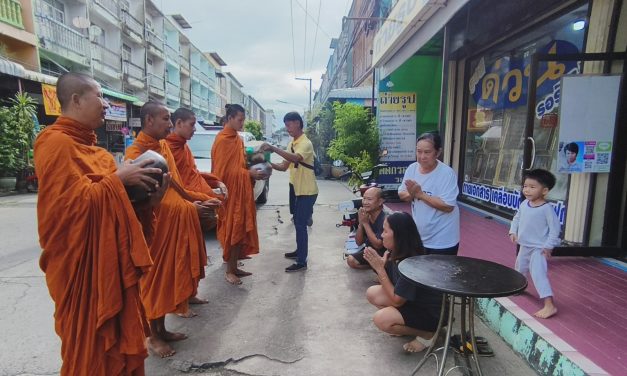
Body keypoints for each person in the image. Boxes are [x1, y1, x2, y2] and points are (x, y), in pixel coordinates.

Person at [34, 72, 168, 375]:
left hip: (111, 271)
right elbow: (64, 212)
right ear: (76, 100)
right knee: (89, 356)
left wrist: (149, 203)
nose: (106, 104)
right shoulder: (54, 143)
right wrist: (117, 181)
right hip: (79, 270)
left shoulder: (102, 156)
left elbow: (121, 219)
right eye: (99, 96)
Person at [126, 101, 220, 358]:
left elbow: (175, 186)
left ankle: (162, 329)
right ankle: (152, 337)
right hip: (153, 229)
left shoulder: (164, 146)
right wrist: (191, 209)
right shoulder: (135, 155)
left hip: (172, 223)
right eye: (166, 118)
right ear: (149, 121)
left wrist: (195, 200)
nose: (170, 124)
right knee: (153, 284)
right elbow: (143, 200)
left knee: (166, 282)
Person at [364, 212, 445, 353]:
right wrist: (383, 267)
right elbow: (393, 286)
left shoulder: (411, 262)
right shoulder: (394, 252)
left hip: (431, 314)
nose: (382, 235)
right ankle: (408, 328)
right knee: (372, 293)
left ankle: (429, 334)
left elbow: (397, 301)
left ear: (398, 235)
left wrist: (381, 270)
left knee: (381, 319)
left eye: (385, 231)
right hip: (412, 303)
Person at [211, 104, 265, 284]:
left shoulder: (237, 139)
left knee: (240, 229)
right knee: (233, 229)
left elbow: (239, 166)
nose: (242, 123)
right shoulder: (222, 140)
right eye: (240, 120)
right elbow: (221, 173)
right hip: (230, 193)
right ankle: (229, 271)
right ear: (230, 119)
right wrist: (248, 174)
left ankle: (234, 267)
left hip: (241, 191)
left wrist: (252, 170)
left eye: (243, 120)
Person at [262, 111, 318, 272]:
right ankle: (299, 252)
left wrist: (273, 148)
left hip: (307, 191)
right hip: (296, 189)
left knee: (300, 224)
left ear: (298, 123)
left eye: (289, 125)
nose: (287, 129)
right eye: (286, 125)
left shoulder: (305, 143)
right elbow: (283, 166)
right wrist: (267, 163)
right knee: (298, 223)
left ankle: (302, 262)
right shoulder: (292, 143)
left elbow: (295, 158)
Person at [509, 169, 561, 319]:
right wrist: (513, 231)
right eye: (525, 186)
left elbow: (555, 229)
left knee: (538, 274)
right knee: (520, 268)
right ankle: (519, 288)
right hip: (525, 245)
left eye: (532, 187)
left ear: (544, 190)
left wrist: (548, 246)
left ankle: (549, 304)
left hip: (539, 248)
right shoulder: (525, 204)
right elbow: (517, 218)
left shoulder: (547, 209)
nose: (527, 190)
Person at [166, 107, 228, 231]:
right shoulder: (166, 148)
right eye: (192, 124)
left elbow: (192, 174)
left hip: (193, 204)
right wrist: (192, 205)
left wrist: (216, 182)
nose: (194, 129)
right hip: (178, 207)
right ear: (178, 123)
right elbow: (171, 185)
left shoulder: (184, 147)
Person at [398, 132, 460, 255]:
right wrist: (413, 194)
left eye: (427, 152)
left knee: (440, 274)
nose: (422, 156)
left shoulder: (446, 174)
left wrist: (420, 195)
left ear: (438, 152)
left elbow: (448, 206)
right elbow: (402, 194)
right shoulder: (412, 169)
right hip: (419, 238)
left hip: (443, 240)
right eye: (419, 151)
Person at [347, 187, 386, 269]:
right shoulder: (365, 215)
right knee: (351, 260)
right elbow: (359, 242)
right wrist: (361, 224)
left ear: (380, 202)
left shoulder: (385, 218)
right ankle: (375, 267)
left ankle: (381, 268)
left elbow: (378, 245)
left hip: (385, 254)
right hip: (370, 251)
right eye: (364, 198)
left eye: (369, 199)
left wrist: (365, 223)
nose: (365, 202)